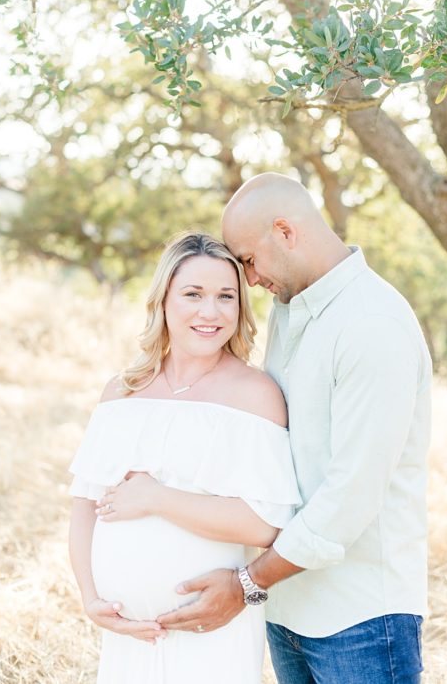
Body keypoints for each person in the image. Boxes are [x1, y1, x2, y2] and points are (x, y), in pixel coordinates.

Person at [153, 173, 432, 684]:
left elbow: (350, 496)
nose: (250, 280)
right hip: (285, 608)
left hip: (361, 620)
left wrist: (246, 583)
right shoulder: (291, 308)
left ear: (284, 231)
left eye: (249, 260)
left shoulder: (371, 325)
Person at [67, 231, 301, 683]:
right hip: (127, 634)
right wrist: (91, 597)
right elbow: (84, 505)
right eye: (193, 294)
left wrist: (158, 498)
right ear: (164, 300)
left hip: (210, 630)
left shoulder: (255, 395)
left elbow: (265, 523)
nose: (209, 312)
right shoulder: (122, 391)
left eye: (225, 297)